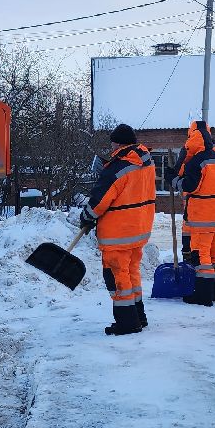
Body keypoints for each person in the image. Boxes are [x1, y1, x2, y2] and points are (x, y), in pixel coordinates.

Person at [80, 124, 157, 335]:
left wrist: (86, 216)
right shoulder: (146, 162)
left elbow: (100, 200)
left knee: (117, 276)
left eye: (113, 142)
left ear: (118, 143)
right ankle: (138, 317)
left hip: (118, 233)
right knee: (132, 274)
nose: (111, 146)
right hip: (138, 229)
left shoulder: (117, 168)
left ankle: (127, 323)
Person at [175, 120, 215, 306]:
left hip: (201, 213)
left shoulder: (193, 156)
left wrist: (174, 180)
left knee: (201, 253)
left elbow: (187, 182)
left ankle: (203, 297)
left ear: (192, 135)